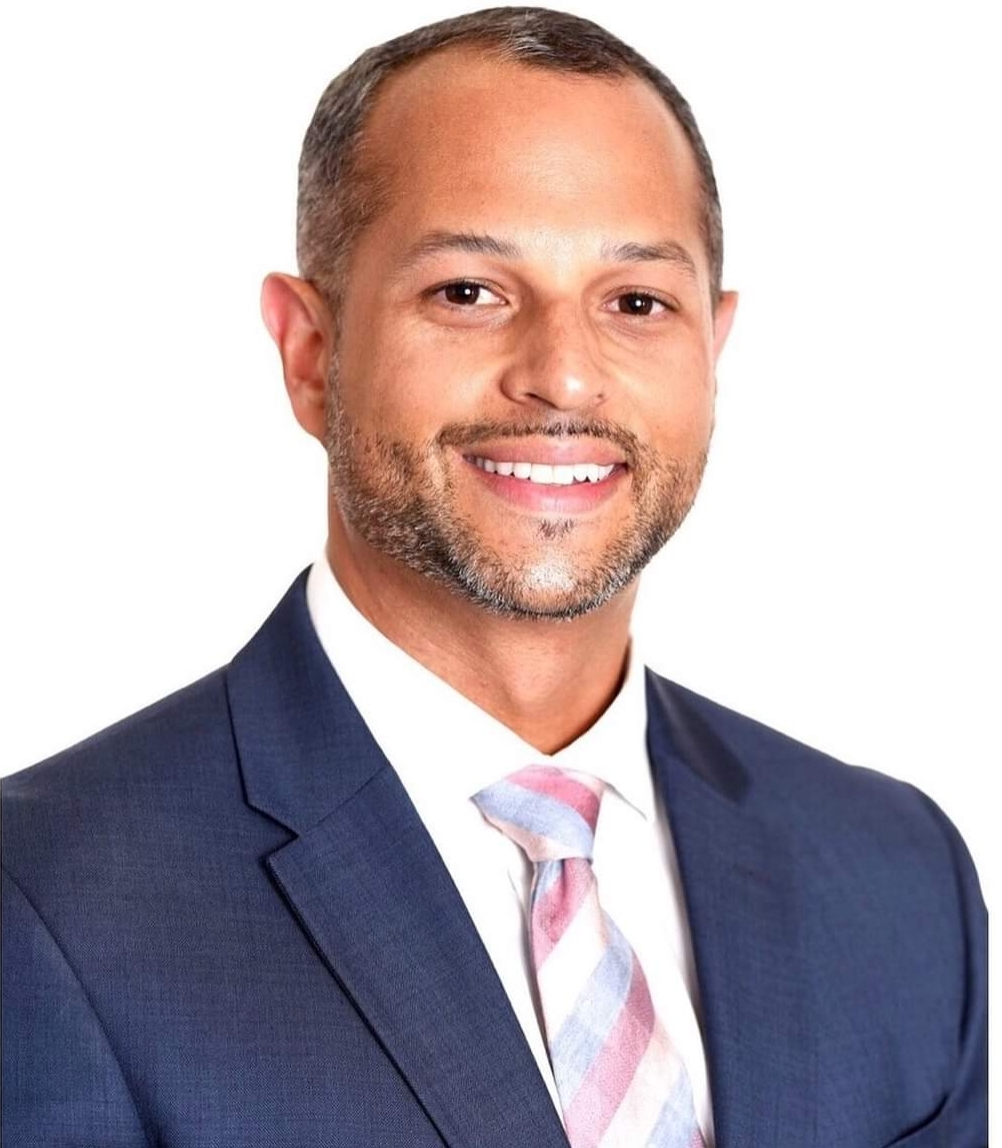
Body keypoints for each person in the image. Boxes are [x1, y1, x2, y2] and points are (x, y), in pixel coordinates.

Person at [1, 7, 986, 1147]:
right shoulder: (47, 905)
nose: (564, 373)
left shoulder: (904, 883)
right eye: (468, 290)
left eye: (636, 302)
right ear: (311, 353)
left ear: (713, 351)